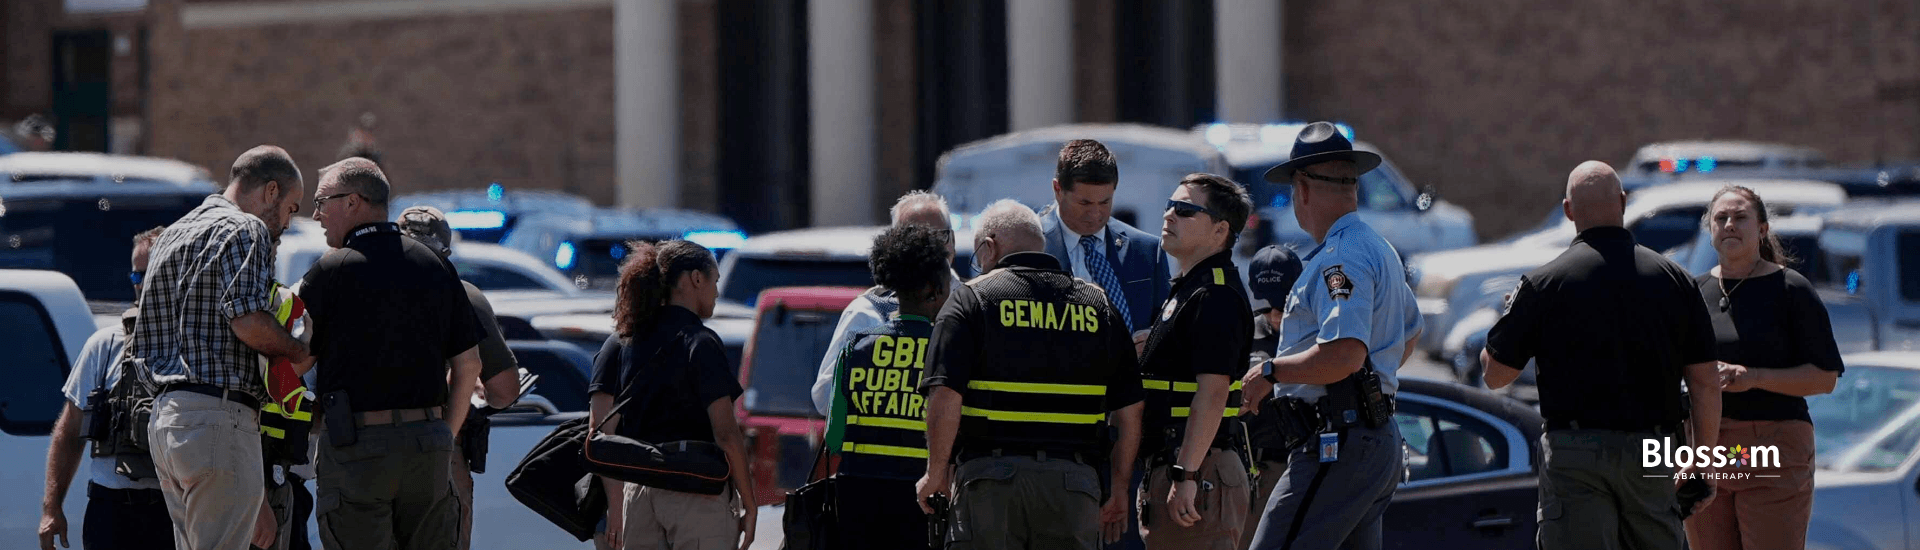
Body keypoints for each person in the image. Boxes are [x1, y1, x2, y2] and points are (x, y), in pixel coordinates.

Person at [1479, 161, 1722, 550]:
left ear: (1568, 211)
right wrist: (1703, 458)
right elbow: (1706, 382)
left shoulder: (1544, 283)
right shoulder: (1675, 280)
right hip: (1652, 450)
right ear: (1623, 203)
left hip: (1575, 454)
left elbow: (1495, 375)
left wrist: (1509, 316)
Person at [913, 199, 1145, 550]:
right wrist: (1119, 487)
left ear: (989, 247)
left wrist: (936, 472)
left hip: (989, 486)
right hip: (1075, 487)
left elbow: (945, 395)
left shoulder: (970, 300)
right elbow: (1130, 412)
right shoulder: (1098, 305)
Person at [1236, 122, 1421, 550]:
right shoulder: (1379, 248)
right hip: (1368, 438)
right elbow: (1408, 335)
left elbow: (1344, 354)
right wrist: (1371, 386)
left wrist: (1271, 370)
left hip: (1337, 441)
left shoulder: (1340, 259)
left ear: (1302, 190)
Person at [129, 145, 312, 550]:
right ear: (270, 191)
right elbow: (246, 319)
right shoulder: (247, 229)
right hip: (217, 416)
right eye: (291, 207)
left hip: (165, 421)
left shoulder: (171, 234)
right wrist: (296, 349)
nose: (286, 221)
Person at [298, 157, 485, 550]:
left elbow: (299, 361)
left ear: (353, 202)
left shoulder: (328, 272)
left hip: (358, 451)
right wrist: (443, 434)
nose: (315, 215)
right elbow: (469, 365)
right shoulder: (435, 265)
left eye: (321, 201)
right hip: (428, 447)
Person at [1684, 186, 1842, 550]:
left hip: (1774, 444)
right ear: (1710, 230)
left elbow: (1825, 377)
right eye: (1720, 218)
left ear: (1763, 230)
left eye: (1740, 217)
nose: (1729, 225)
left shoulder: (1790, 289)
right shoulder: (1694, 292)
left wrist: (1753, 378)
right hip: (1706, 446)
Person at [589, 240, 756, 550]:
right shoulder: (700, 341)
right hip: (696, 491)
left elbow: (602, 432)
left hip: (639, 492)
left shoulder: (627, 341)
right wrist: (750, 503)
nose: (717, 293)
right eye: (714, 281)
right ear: (695, 279)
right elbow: (726, 434)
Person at [1134, 174, 1257, 549]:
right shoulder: (1190, 289)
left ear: (1220, 230)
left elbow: (1214, 391)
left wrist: (1185, 474)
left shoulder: (1214, 294)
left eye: (1185, 210)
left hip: (1199, 470)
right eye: (1169, 206)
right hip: (1177, 465)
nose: (1170, 215)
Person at [395, 205, 524, 550]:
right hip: (438, 446)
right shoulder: (463, 295)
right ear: (446, 252)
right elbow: (505, 390)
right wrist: (468, 389)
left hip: (362, 447)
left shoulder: (355, 284)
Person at [820, 224, 953, 550]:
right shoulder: (945, 350)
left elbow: (834, 436)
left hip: (857, 493)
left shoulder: (856, 344)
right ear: (934, 291)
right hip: (922, 495)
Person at [41, 226, 173, 550]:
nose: (140, 283)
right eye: (135, 275)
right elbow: (70, 431)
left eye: (149, 272)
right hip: (111, 510)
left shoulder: (199, 348)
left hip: (175, 510)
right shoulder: (105, 344)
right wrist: (51, 507)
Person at [811, 190, 962, 416]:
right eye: (913, 237)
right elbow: (824, 399)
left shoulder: (975, 304)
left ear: (952, 240)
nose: (926, 247)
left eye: (937, 236)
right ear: (894, 244)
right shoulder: (867, 311)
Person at [1040, 138, 1171, 335]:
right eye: (1084, 203)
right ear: (1058, 190)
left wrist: (1153, 340)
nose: (1095, 214)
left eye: (1104, 202)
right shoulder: (1030, 245)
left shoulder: (1147, 250)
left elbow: (1169, 328)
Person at [1235, 246, 1304, 550]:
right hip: (1257, 473)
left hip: (1306, 468)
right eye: (1268, 303)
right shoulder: (1242, 334)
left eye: (1284, 302)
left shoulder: (1318, 337)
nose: (1276, 313)